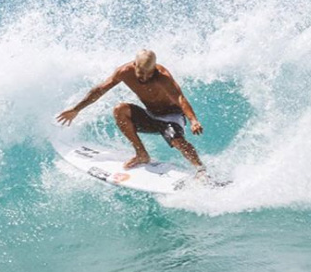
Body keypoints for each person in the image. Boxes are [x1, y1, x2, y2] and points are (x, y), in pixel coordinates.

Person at [56, 50, 209, 180]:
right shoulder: (124, 72)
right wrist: (76, 109)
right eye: (141, 73)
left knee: (178, 142)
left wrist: (193, 120)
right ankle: (141, 153)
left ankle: (201, 170)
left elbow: (180, 98)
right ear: (134, 65)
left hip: (171, 116)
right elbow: (100, 89)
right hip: (150, 115)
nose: (145, 77)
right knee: (120, 109)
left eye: (149, 74)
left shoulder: (162, 76)